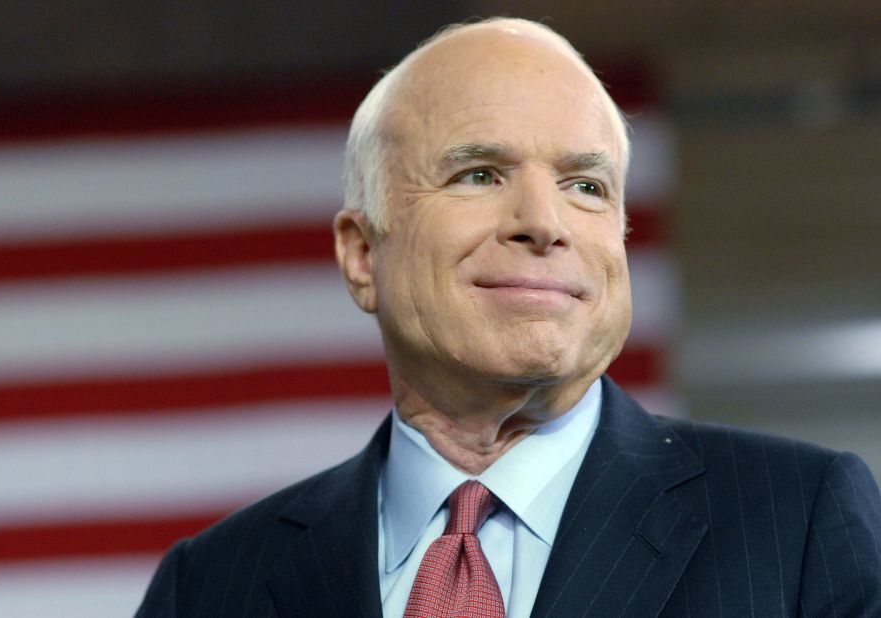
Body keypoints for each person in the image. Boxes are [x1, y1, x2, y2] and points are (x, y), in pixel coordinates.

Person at [136, 17, 881, 617]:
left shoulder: (797, 522)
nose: (542, 221)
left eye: (585, 185)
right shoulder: (210, 586)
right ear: (362, 255)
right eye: (480, 174)